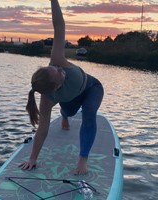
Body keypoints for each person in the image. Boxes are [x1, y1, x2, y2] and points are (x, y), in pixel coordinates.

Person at [19, 0, 104, 175]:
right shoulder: (47, 100)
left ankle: (82, 160)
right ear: (55, 87)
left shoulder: (57, 59)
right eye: (59, 72)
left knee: (89, 113)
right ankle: (64, 115)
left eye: (56, 67)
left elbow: (59, 25)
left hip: (92, 87)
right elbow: (43, 130)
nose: (60, 68)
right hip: (70, 100)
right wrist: (33, 158)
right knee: (69, 112)